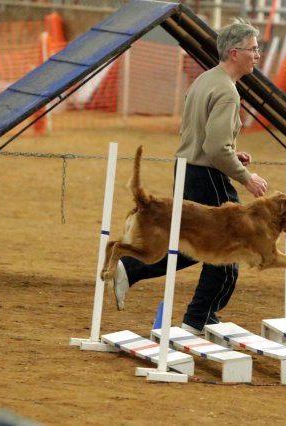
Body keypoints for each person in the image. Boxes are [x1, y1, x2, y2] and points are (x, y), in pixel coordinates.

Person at [110, 20, 268, 335]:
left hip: (189, 170)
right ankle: (199, 318)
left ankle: (134, 270)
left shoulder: (205, 80)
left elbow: (202, 137)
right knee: (228, 246)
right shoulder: (227, 92)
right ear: (234, 53)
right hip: (208, 176)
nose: (258, 55)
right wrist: (245, 176)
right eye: (253, 49)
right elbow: (213, 146)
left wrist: (231, 153)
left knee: (196, 244)